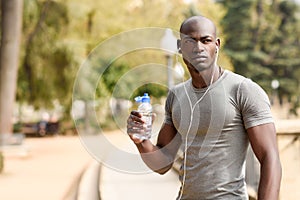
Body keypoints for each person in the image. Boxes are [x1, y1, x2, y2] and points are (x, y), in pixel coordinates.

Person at [127, 15, 282, 200]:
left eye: (205, 40)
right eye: (190, 41)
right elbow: (163, 164)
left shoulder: (243, 90)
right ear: (179, 47)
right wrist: (141, 141)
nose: (198, 47)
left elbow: (269, 158)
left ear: (216, 45)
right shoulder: (176, 96)